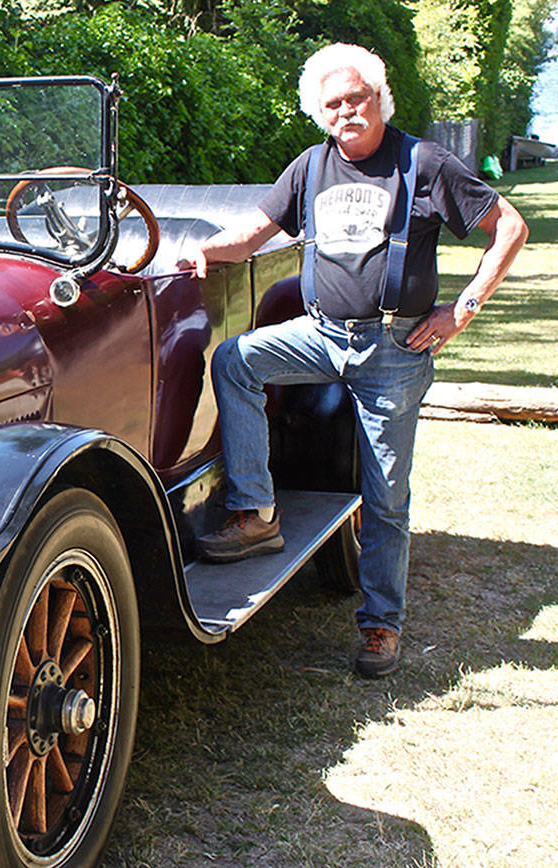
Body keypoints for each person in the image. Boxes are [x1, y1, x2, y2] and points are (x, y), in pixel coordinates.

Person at [179, 43, 528, 678]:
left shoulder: (423, 161)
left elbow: (510, 226)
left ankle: (380, 627)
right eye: (333, 104)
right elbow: (252, 233)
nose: (346, 112)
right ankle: (257, 512)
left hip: (395, 350)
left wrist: (464, 306)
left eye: (357, 99)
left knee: (385, 496)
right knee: (237, 360)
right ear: (321, 111)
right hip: (321, 333)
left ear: (379, 100)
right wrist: (201, 251)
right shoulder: (311, 167)